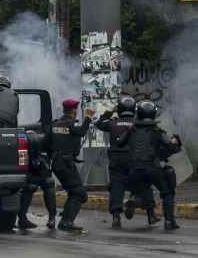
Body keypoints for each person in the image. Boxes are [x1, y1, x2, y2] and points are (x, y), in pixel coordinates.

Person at [116, 100, 182, 230]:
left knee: (143, 188)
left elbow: (120, 142)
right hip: (152, 168)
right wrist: (176, 141)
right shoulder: (156, 131)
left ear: (139, 113)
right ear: (153, 115)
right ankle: (169, 221)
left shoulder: (132, 130)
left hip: (134, 169)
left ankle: (135, 201)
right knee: (167, 191)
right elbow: (172, 147)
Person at [94, 96, 158, 228]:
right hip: (134, 159)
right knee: (144, 183)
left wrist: (108, 113)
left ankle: (116, 218)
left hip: (116, 160)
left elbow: (99, 124)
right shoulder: (138, 123)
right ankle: (150, 215)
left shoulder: (113, 123)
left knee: (117, 187)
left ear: (120, 108)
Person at [49, 98, 94, 232]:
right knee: (79, 193)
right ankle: (67, 222)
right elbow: (81, 131)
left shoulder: (55, 124)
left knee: (74, 192)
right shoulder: (70, 124)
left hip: (57, 163)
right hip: (66, 164)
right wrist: (88, 117)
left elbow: (46, 142)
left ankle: (65, 222)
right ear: (74, 112)